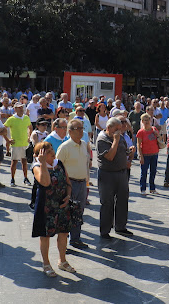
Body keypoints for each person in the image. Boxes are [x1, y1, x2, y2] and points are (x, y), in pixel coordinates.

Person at [31, 141, 75, 276]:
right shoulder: (37, 166)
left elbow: (68, 183)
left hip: (62, 205)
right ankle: (46, 263)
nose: (52, 152)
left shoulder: (59, 163)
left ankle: (62, 260)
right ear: (41, 155)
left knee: (63, 233)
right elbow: (45, 182)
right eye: (48, 151)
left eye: (51, 149)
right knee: (45, 235)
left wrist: (68, 195)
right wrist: (43, 163)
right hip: (46, 206)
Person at [96, 117, 133, 239]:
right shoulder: (102, 139)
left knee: (123, 201)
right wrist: (115, 141)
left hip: (121, 173)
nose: (119, 131)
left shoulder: (120, 137)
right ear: (109, 128)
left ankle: (120, 227)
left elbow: (123, 152)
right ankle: (105, 230)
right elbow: (110, 156)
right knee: (107, 203)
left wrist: (130, 153)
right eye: (117, 129)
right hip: (107, 175)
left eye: (120, 129)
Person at [56, 118, 90, 250]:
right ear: (70, 131)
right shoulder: (65, 147)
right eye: (79, 129)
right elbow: (57, 167)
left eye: (82, 128)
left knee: (79, 212)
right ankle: (64, 244)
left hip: (82, 184)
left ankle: (75, 239)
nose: (82, 131)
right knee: (67, 213)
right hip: (70, 184)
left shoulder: (83, 144)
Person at [4, 102, 33, 187]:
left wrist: (29, 137)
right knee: (14, 162)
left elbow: (30, 127)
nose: (21, 109)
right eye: (19, 108)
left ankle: (25, 178)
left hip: (25, 144)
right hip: (16, 144)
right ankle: (12, 179)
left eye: (22, 107)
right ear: (15, 109)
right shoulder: (11, 119)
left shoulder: (26, 118)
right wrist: (8, 140)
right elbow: (3, 129)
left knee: (24, 162)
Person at [136, 113, 160, 195]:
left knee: (153, 172)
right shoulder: (141, 132)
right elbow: (138, 144)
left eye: (148, 120)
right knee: (144, 173)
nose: (146, 122)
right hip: (145, 154)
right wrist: (140, 156)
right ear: (142, 121)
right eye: (145, 120)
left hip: (154, 153)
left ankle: (152, 188)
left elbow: (159, 139)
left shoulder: (154, 129)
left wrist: (157, 135)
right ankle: (143, 189)